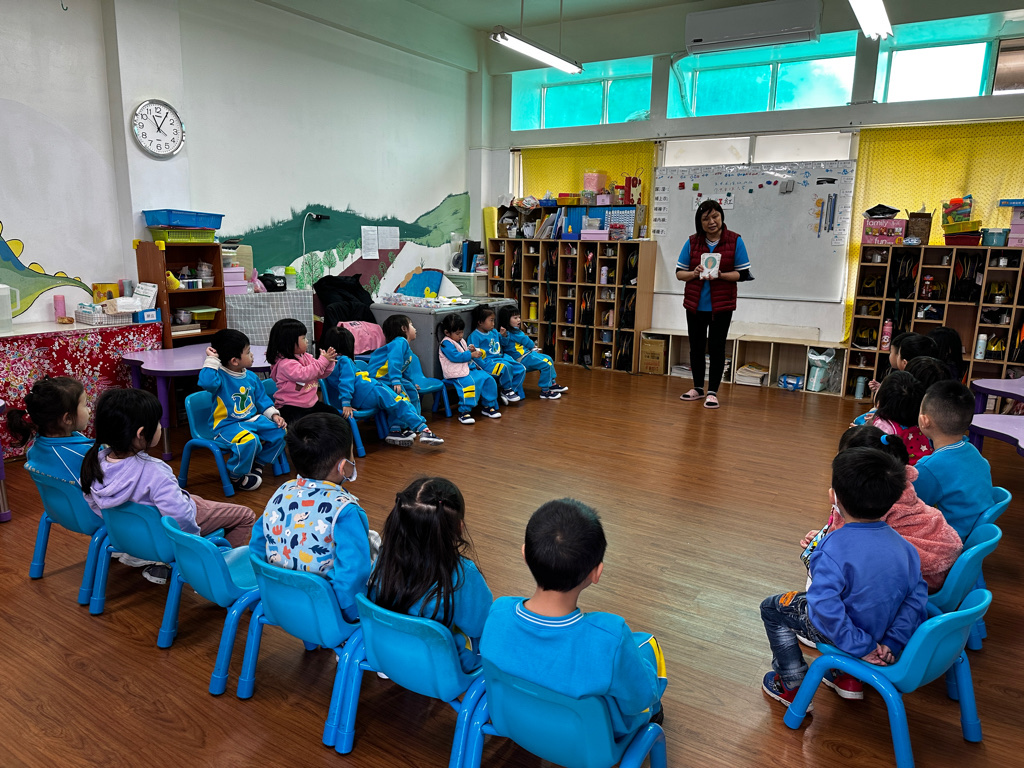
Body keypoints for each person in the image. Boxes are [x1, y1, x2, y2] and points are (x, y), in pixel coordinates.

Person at [480, 499, 667, 740]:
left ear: (524, 554)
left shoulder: (498, 612)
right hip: (591, 742)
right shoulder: (611, 638)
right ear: (596, 573)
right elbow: (639, 700)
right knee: (647, 645)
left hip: (514, 720)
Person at [761, 447, 927, 708]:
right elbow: (916, 598)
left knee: (772, 608)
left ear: (833, 497)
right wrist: (892, 641)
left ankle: (791, 684)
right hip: (884, 632)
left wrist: (862, 646)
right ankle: (847, 676)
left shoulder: (831, 548)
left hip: (848, 636)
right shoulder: (906, 548)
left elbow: (824, 606)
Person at [82, 389, 256, 584]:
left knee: (192, 499)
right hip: (173, 529)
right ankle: (214, 576)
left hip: (131, 537)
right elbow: (180, 517)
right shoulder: (154, 471)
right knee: (246, 515)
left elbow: (94, 503)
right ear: (141, 434)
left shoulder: (95, 463)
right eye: (158, 422)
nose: (160, 426)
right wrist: (192, 544)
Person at [800, 426, 961, 592]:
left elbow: (847, 548)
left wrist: (824, 545)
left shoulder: (867, 500)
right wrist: (824, 536)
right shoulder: (896, 485)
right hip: (935, 563)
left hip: (913, 579)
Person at [249, 412, 374, 623]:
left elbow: (257, 544)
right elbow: (354, 573)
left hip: (280, 602)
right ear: (343, 466)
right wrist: (347, 615)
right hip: (327, 615)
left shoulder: (282, 491)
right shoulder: (346, 511)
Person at [368, 477, 493, 673]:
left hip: (385, 648)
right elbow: (479, 626)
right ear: (459, 527)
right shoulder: (463, 573)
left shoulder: (385, 556)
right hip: (437, 667)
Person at [675, 199, 753, 409]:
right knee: (696, 347)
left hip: (721, 306)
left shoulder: (735, 240)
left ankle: (712, 392)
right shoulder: (692, 242)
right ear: (699, 222)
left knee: (717, 348)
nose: (711, 222)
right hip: (695, 305)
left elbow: (743, 274)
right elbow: (679, 273)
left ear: (721, 216)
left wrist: (721, 275)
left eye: (715, 216)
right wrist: (694, 273)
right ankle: (698, 388)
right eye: (706, 218)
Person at [320, 324, 443, 446]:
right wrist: (346, 403)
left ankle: (400, 430)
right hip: (370, 390)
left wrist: (345, 402)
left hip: (367, 391)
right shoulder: (344, 360)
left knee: (397, 403)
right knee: (399, 402)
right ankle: (423, 429)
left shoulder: (327, 365)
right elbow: (346, 382)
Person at [199, 329, 287, 491]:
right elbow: (206, 382)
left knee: (280, 431)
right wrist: (212, 359)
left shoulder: (251, 377)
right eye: (248, 352)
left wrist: (274, 415)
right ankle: (236, 475)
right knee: (249, 440)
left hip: (251, 420)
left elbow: (262, 400)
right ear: (234, 361)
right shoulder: (219, 377)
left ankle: (259, 462)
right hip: (226, 426)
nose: (252, 355)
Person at [914, 380, 995, 540]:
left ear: (924, 421)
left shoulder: (928, 467)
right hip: (974, 534)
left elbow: (912, 503)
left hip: (947, 541)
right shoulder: (972, 450)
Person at [8, 376, 92, 488]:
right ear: (67, 418)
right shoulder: (85, 455)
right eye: (85, 405)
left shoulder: (32, 449)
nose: (89, 410)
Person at [266, 317, 339, 423]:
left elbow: (319, 373)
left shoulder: (306, 356)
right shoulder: (285, 363)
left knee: (334, 415)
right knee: (303, 427)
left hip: (311, 404)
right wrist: (323, 362)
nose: (307, 341)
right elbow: (304, 375)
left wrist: (329, 362)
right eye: (303, 338)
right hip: (291, 407)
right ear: (289, 342)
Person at [438, 313, 501, 424]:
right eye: (457, 333)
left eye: (462, 332)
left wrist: (471, 350)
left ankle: (488, 406)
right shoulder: (446, 343)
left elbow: (464, 352)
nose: (461, 335)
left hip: (468, 370)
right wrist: (471, 354)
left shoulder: (461, 340)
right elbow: (455, 356)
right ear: (447, 332)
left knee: (488, 379)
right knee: (469, 384)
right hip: (456, 373)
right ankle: (464, 411)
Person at [496, 304, 567, 400]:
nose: (519, 320)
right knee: (546, 363)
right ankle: (545, 391)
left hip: (526, 355)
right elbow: (527, 342)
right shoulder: (513, 332)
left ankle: (552, 384)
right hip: (521, 359)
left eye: (519, 317)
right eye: (515, 318)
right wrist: (532, 346)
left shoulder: (511, 332)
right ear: (506, 320)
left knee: (549, 359)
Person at [865, 370, 932, 464]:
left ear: (882, 400)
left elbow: (871, 450)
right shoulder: (921, 421)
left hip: (899, 469)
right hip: (925, 465)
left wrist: (861, 432)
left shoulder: (882, 425)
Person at [467, 306, 526, 406]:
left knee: (521, 368)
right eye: (491, 320)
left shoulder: (494, 332)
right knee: (506, 367)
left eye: (494, 320)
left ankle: (510, 390)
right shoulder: (474, 336)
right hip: (487, 363)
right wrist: (482, 366)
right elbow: (475, 356)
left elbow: (503, 343)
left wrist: (504, 336)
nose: (493, 323)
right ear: (480, 322)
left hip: (500, 358)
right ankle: (507, 390)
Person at [367, 314, 425, 414]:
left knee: (412, 391)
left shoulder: (405, 347)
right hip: (380, 378)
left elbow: (405, 369)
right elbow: (394, 361)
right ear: (403, 328)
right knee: (403, 400)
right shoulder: (400, 342)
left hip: (389, 377)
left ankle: (415, 417)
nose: (415, 329)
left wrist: (411, 383)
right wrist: (395, 380)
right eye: (411, 325)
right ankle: (400, 423)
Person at [868, 332, 939, 395]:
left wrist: (881, 394)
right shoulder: (931, 378)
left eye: (899, 354)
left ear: (905, 362)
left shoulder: (904, 386)